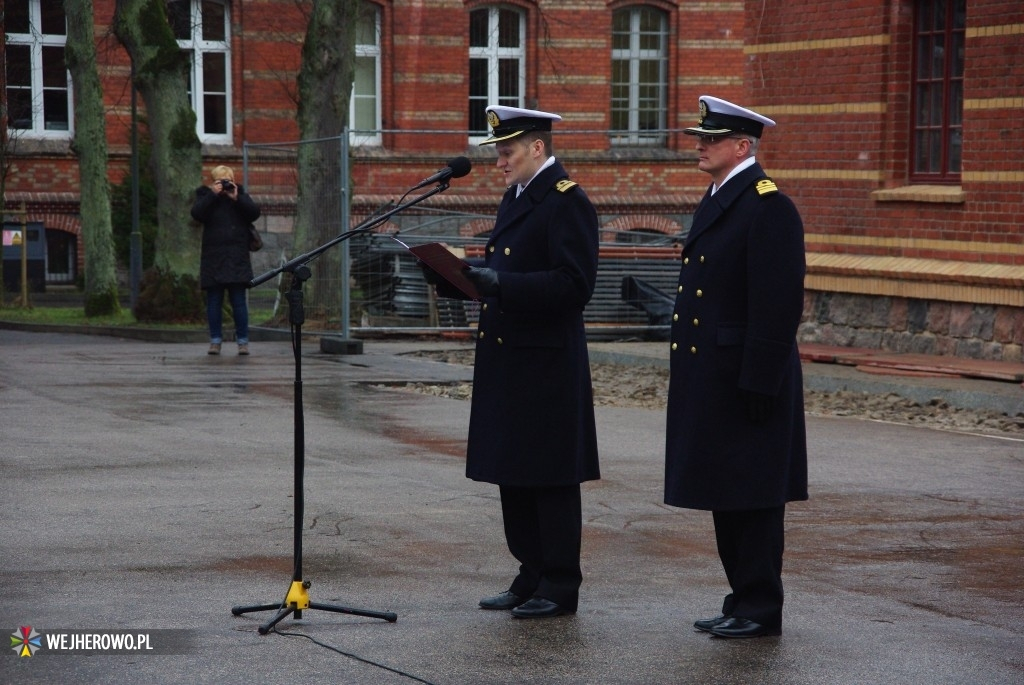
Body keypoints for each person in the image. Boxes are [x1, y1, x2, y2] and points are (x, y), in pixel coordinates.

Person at [426, 105, 600, 618]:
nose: (499, 162)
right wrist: (455, 276)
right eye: (498, 153)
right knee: (514, 473)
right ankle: (529, 572)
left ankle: (560, 583)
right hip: (509, 359)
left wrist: (500, 284)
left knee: (549, 477)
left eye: (507, 152)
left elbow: (574, 285)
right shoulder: (515, 196)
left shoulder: (567, 202)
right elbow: (507, 273)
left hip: (547, 364)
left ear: (538, 149)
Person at [664, 96, 808, 638]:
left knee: (755, 497)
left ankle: (760, 606)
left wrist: (760, 380)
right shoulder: (722, 197)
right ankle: (740, 597)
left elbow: (777, 304)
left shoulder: (768, 205)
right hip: (716, 376)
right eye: (700, 136)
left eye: (711, 138)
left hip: (749, 377)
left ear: (742, 146)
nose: (699, 145)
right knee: (727, 491)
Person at [191, 164, 261, 356]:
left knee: (238, 301)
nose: (223, 185)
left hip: (236, 256)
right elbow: (197, 214)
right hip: (213, 256)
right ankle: (215, 341)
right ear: (212, 181)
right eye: (219, 181)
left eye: (226, 181)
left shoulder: (240, 195)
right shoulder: (205, 196)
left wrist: (236, 198)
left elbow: (254, 213)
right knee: (214, 301)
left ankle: (243, 341)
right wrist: (213, 195)